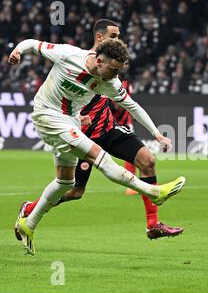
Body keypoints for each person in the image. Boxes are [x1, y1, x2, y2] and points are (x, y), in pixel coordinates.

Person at [8, 37, 186, 255]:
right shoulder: (68, 55)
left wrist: (157, 134)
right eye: (113, 69)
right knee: (98, 155)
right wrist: (17, 51)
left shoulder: (110, 82)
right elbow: (33, 45)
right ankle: (153, 191)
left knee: (66, 183)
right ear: (99, 61)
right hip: (47, 115)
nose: (116, 76)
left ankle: (29, 223)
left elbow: (132, 106)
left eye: (119, 71)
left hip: (70, 121)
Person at [46, 19, 183, 239]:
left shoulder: (112, 69)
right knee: (74, 191)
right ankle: (32, 209)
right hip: (83, 137)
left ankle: (153, 225)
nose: (118, 40)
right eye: (113, 36)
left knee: (147, 160)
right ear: (99, 37)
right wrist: (75, 119)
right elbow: (57, 102)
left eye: (119, 35)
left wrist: (156, 133)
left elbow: (131, 104)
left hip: (108, 130)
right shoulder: (75, 61)